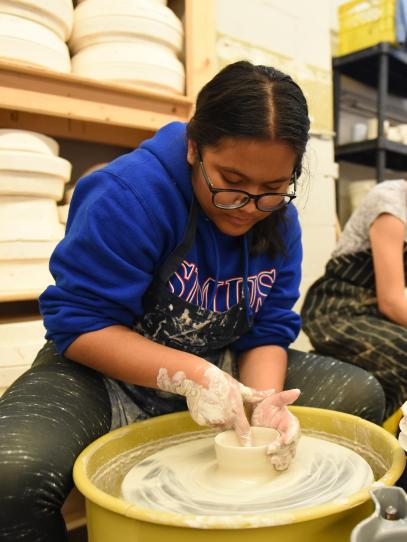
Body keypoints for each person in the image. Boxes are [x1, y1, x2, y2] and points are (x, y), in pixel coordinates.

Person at [0, 61, 385, 542]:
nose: (248, 206)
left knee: (360, 394)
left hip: (219, 360)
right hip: (102, 373)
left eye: (271, 188)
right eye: (231, 180)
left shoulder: (278, 220)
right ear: (192, 148)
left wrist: (261, 407)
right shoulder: (129, 194)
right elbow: (79, 325)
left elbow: (268, 328)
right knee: (10, 476)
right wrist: (195, 377)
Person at [301, 179, 407, 420]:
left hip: (374, 313)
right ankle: (379, 443)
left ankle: (386, 435)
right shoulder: (391, 204)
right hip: (337, 309)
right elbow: (391, 301)